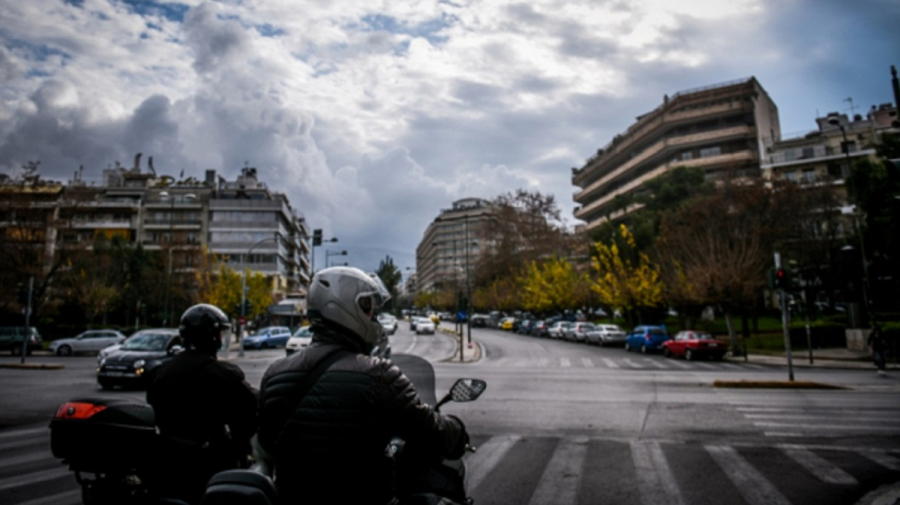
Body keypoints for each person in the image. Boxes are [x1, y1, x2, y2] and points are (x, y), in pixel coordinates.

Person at [258, 267, 469, 505]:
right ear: (345, 308)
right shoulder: (378, 374)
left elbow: (267, 441)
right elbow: (429, 431)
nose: (374, 318)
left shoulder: (274, 373)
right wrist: (457, 431)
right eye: (368, 308)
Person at [146, 303, 258, 503]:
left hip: (166, 467)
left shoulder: (160, 372)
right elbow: (248, 417)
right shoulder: (223, 375)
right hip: (210, 470)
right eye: (221, 334)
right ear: (212, 336)